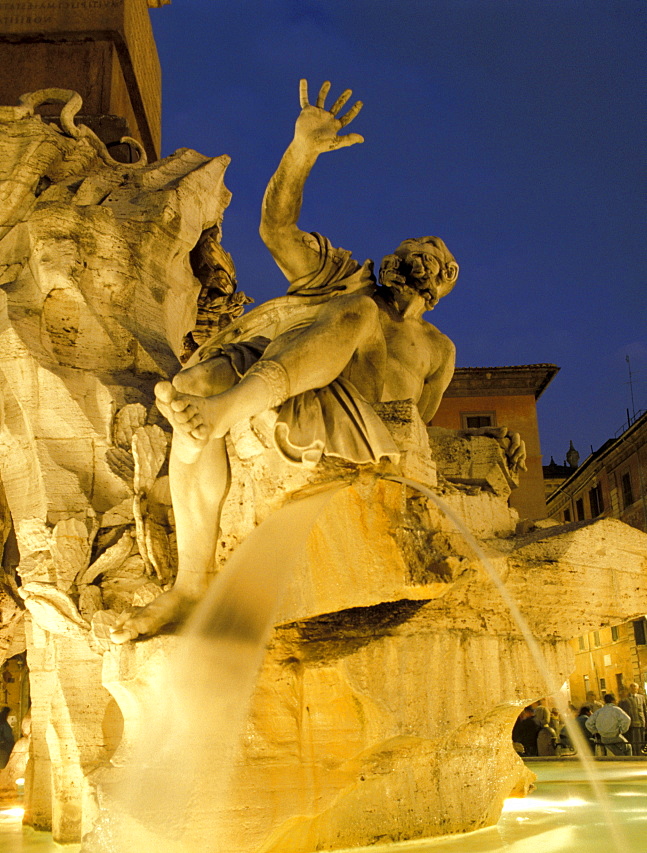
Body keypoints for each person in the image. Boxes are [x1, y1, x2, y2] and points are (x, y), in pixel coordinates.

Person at [111, 80, 526, 644]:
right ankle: (189, 586)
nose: (413, 259)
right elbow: (275, 229)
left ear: (441, 285)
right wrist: (301, 150)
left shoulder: (437, 349)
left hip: (356, 425)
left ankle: (215, 416)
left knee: (332, 327)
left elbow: (418, 437)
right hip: (285, 380)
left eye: (429, 259)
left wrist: (491, 447)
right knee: (196, 380)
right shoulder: (346, 280)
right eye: (407, 251)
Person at [618, 682, 647, 755]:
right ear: (630, 689)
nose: (634, 688)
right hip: (632, 723)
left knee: (642, 738)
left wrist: (645, 720)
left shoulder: (641, 697)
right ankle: (634, 753)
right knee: (633, 739)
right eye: (632, 687)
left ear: (637, 688)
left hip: (641, 722)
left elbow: (644, 709)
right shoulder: (625, 699)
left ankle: (641, 752)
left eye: (635, 687)